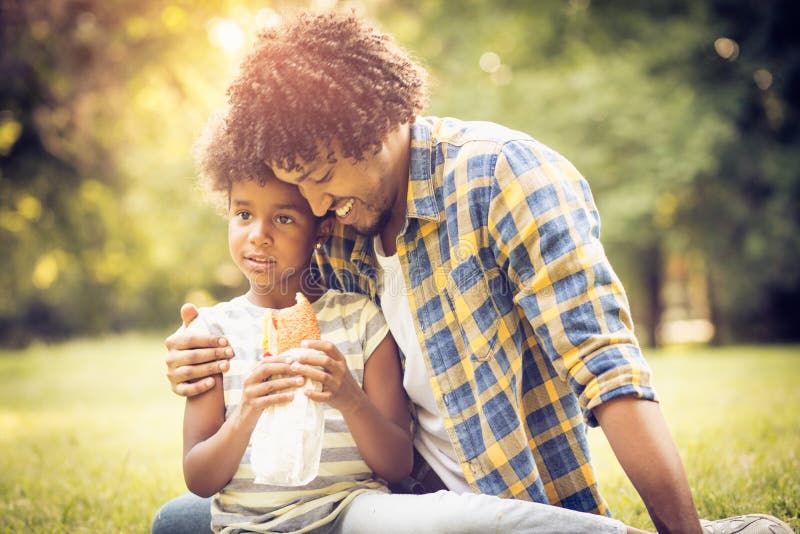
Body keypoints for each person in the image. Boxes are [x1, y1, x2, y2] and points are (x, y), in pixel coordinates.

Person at [157, 11, 794, 534]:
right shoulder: (341, 227)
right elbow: (277, 296)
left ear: (374, 126)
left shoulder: (504, 178)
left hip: (499, 504)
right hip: (377, 503)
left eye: (321, 182)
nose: (318, 209)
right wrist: (198, 345)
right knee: (179, 522)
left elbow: (607, 368)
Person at [158, 111, 653, 534]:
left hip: (374, 506)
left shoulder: (362, 307)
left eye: (289, 215)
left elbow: (606, 366)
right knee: (172, 521)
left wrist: (346, 394)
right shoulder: (229, 321)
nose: (263, 234)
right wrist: (222, 379)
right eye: (242, 214)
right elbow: (200, 473)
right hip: (274, 510)